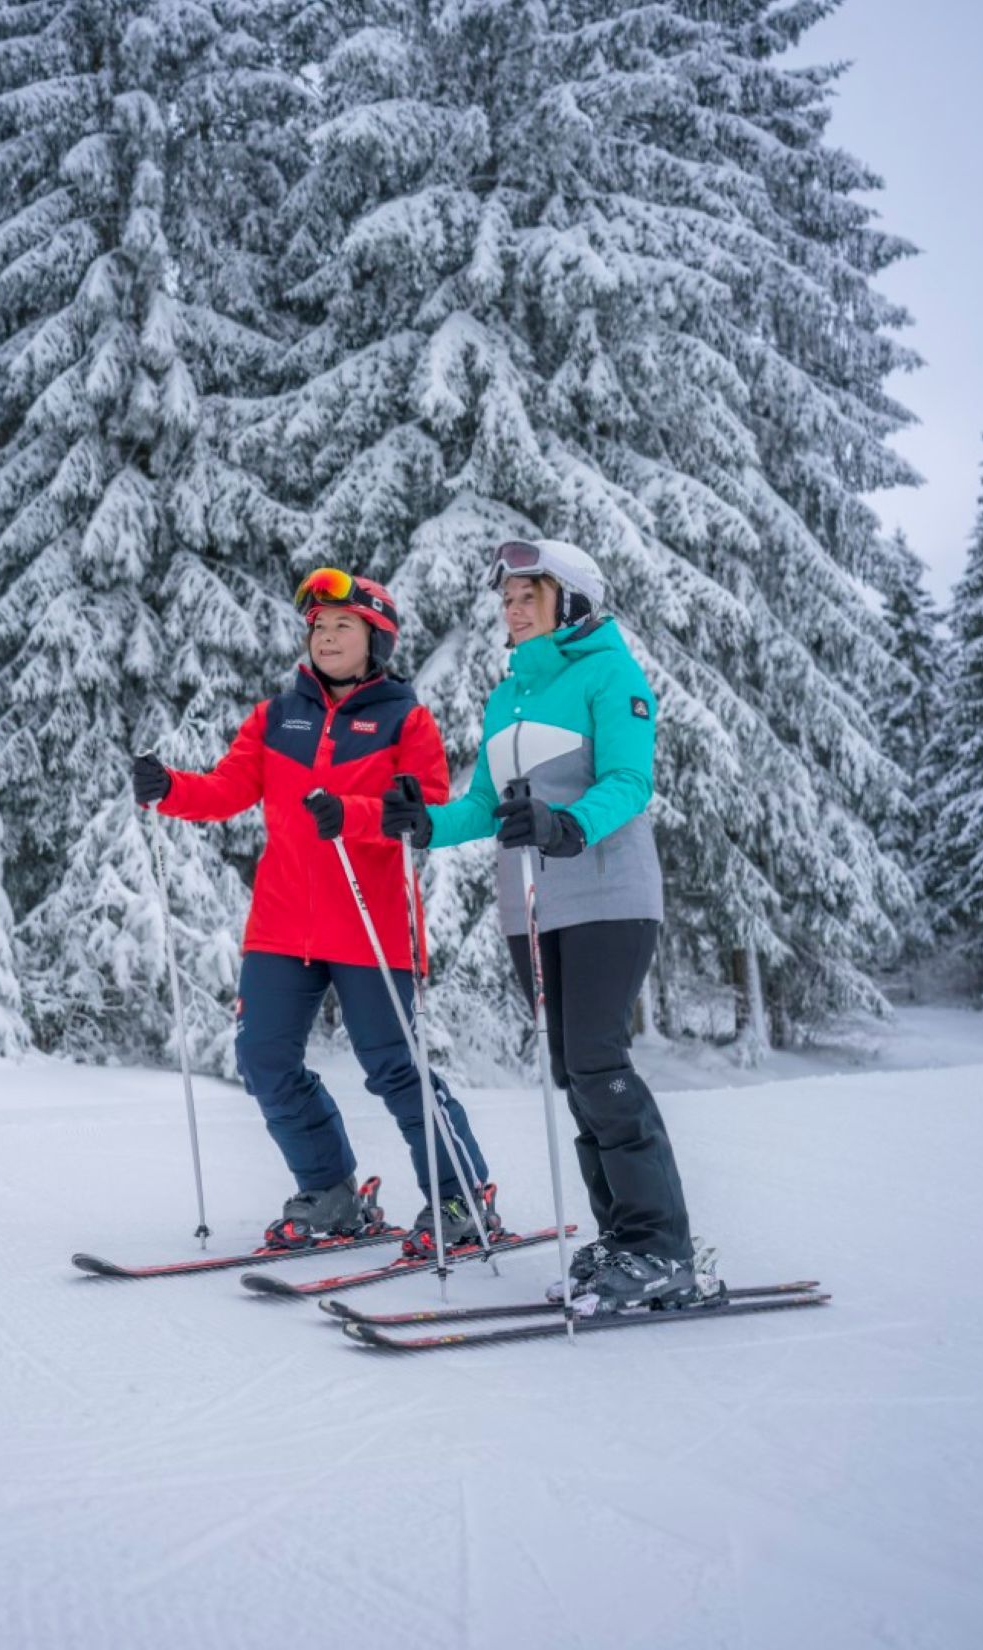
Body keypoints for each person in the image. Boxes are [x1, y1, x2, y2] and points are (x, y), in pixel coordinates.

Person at [378, 538, 708, 1312]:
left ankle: (663, 1249)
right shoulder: (509, 697)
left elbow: (630, 783)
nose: (513, 608)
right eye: (507, 598)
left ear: (573, 599)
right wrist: (423, 824)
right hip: (533, 909)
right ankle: (624, 1238)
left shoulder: (610, 673)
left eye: (530, 594)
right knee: (572, 1070)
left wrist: (564, 824)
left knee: (598, 1061)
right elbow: (485, 809)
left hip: (609, 894)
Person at [132, 568, 498, 1257]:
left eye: (343, 627)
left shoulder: (405, 720)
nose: (327, 638)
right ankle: (330, 1191)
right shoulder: (277, 717)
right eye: (319, 628)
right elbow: (226, 788)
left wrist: (352, 816)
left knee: (393, 1065)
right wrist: (170, 788)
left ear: (376, 640)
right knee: (264, 1057)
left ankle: (460, 1195)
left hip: (371, 922)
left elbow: (427, 809)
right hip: (282, 926)